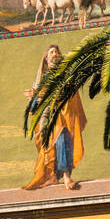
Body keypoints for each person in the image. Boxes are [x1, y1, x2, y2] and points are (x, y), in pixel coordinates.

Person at [23, 45, 86, 190]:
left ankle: (66, 176)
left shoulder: (64, 74)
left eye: (56, 52)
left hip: (63, 114)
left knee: (63, 140)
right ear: (46, 57)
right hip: (47, 116)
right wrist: (34, 98)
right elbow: (36, 101)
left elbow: (63, 92)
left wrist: (39, 94)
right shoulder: (43, 77)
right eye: (51, 52)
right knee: (49, 146)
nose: (55, 54)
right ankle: (52, 176)